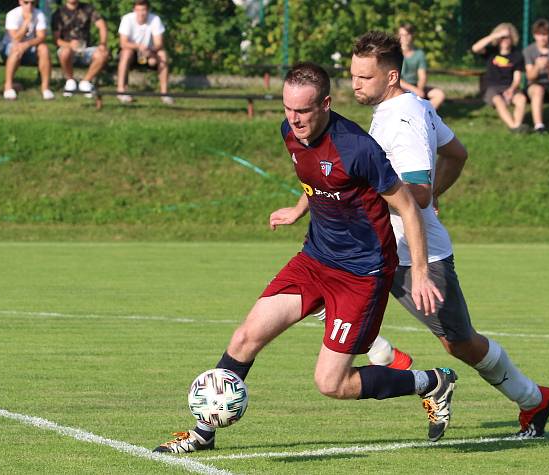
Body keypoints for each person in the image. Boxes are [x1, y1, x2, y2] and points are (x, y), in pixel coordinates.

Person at [153, 62, 456, 454]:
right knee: (246, 337)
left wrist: (418, 271)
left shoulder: (358, 148)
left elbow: (411, 208)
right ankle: (202, 432)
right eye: (287, 109)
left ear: (326, 104)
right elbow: (317, 179)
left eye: (303, 111)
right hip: (314, 259)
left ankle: (431, 381)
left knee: (331, 383)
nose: (293, 119)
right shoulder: (290, 133)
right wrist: (299, 209)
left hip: (362, 274)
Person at [351, 31, 549, 438]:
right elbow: (456, 153)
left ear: (391, 76)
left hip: (414, 254)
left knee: (459, 343)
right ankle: (391, 359)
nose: (355, 84)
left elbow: (420, 191)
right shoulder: (408, 106)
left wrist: (416, 196)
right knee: (318, 294)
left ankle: (534, 398)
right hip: (376, 245)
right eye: (353, 75)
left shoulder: (404, 118)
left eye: (364, 77)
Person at [471, 23, 528, 133]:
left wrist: (511, 90)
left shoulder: (517, 55)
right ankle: (513, 127)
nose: (505, 40)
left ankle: (517, 125)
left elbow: (517, 78)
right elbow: (475, 48)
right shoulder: (491, 52)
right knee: (498, 100)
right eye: (502, 38)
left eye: (508, 37)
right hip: (492, 88)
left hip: (509, 87)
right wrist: (495, 35)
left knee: (521, 99)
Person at [117, 0, 171, 104]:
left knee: (163, 55)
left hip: (149, 52)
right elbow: (123, 43)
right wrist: (138, 47)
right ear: (134, 10)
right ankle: (121, 91)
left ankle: (164, 94)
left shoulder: (155, 19)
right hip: (132, 53)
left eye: (144, 10)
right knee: (126, 53)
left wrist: (150, 51)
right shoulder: (127, 19)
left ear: (148, 10)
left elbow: (159, 43)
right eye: (138, 10)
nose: (141, 13)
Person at [52, 0, 108, 98]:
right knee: (65, 52)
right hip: (68, 49)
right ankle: (70, 81)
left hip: (85, 49)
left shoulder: (88, 9)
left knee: (103, 54)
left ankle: (85, 82)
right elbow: (56, 40)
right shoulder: (58, 13)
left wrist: (102, 43)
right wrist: (69, 45)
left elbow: (102, 25)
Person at [0, 0, 53, 100]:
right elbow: (15, 38)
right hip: (9, 48)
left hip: (29, 47)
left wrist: (27, 44)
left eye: (32, 3)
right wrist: (26, 22)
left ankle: (45, 88)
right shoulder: (12, 14)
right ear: (20, 2)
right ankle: (8, 86)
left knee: (44, 48)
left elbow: (41, 37)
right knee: (15, 49)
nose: (29, 6)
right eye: (26, 2)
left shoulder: (39, 14)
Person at [397, 22, 445, 110]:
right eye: (401, 35)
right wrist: (414, 90)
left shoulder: (419, 54)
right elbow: (395, 78)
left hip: (416, 86)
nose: (404, 38)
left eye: (407, 35)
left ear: (412, 36)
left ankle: (425, 115)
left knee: (439, 94)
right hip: (399, 88)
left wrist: (419, 90)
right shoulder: (394, 54)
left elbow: (422, 76)